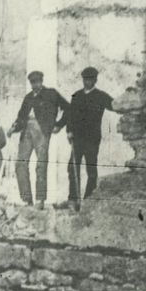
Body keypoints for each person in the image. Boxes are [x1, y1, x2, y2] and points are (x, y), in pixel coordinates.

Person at [7, 70, 69, 208]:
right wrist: (13, 128)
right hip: (26, 130)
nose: (35, 84)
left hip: (42, 131)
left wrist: (59, 125)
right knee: (20, 164)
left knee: (41, 165)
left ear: (42, 81)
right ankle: (27, 199)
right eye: (33, 82)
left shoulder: (51, 93)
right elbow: (21, 116)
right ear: (30, 83)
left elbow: (68, 108)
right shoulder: (28, 97)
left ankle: (40, 200)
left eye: (38, 81)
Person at [55, 66, 114, 211]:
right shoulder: (76, 96)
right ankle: (73, 200)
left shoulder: (101, 96)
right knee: (72, 167)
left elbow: (115, 105)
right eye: (85, 79)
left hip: (92, 139)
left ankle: (89, 200)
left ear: (95, 80)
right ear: (83, 80)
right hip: (77, 138)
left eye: (90, 79)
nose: (87, 82)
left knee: (91, 169)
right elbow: (70, 115)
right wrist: (69, 131)